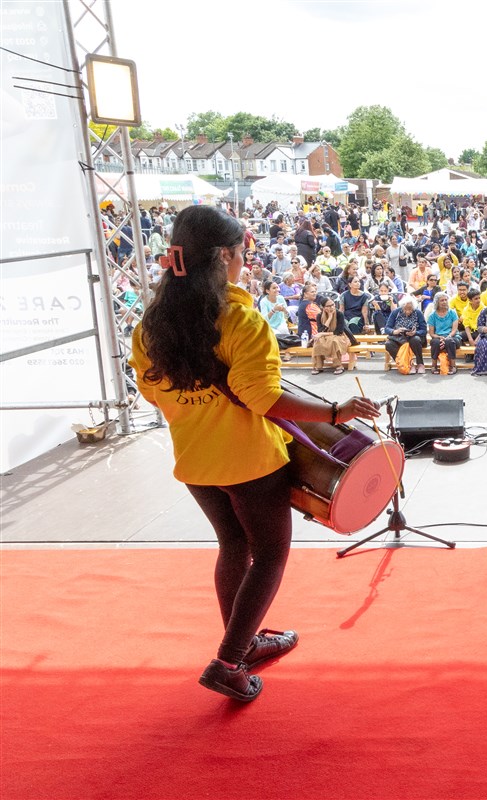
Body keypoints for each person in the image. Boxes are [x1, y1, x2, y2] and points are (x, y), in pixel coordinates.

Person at [129, 205, 379, 702]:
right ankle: (228, 662)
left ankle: (242, 644)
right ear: (224, 256)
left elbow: (151, 395)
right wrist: (336, 412)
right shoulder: (240, 320)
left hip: (196, 462)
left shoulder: (150, 325)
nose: (245, 261)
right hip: (249, 463)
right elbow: (262, 397)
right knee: (269, 555)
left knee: (233, 547)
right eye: (242, 253)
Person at [382, 297, 428, 374]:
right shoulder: (396, 312)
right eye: (405, 309)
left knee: (415, 340)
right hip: (399, 338)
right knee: (388, 344)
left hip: (414, 337)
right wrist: (395, 331)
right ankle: (406, 363)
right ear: (402, 307)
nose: (408, 311)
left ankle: (420, 364)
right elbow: (387, 328)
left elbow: (424, 330)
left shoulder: (418, 313)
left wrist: (415, 332)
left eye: (410, 309)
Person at [311, 296, 353, 375]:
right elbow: (320, 330)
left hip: (339, 336)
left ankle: (338, 366)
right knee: (318, 341)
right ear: (323, 307)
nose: (331, 307)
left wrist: (322, 334)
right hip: (326, 336)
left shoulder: (339, 314)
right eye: (328, 306)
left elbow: (339, 331)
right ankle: (318, 365)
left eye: (333, 305)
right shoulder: (319, 315)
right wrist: (329, 318)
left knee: (334, 341)